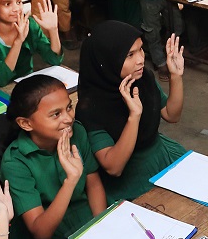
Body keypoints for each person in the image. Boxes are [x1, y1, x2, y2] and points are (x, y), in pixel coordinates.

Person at [76, 22, 189, 203]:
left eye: (141, 50)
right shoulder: (90, 107)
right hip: (131, 179)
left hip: (161, 155)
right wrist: (134, 117)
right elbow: (114, 167)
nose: (140, 59)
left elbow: (171, 115)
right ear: (106, 61)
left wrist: (176, 76)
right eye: (130, 55)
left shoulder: (143, 79)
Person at [0, 75, 107, 239]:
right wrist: (70, 181)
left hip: (85, 215)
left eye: (69, 108)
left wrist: (102, 224)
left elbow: (94, 184)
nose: (68, 119)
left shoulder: (77, 133)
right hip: (48, 238)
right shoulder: (16, 162)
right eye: (56, 114)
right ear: (25, 123)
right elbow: (41, 232)